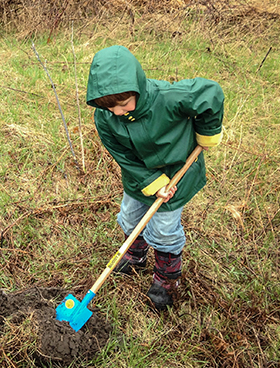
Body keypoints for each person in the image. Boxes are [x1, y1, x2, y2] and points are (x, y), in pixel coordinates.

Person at [86, 45, 224, 310]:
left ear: (136, 87)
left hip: (176, 174)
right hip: (138, 177)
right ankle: (136, 253)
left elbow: (211, 93)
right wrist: (149, 182)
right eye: (110, 106)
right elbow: (122, 156)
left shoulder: (169, 98)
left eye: (123, 104)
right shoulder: (105, 117)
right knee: (129, 217)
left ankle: (167, 277)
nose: (117, 111)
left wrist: (207, 133)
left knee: (163, 229)